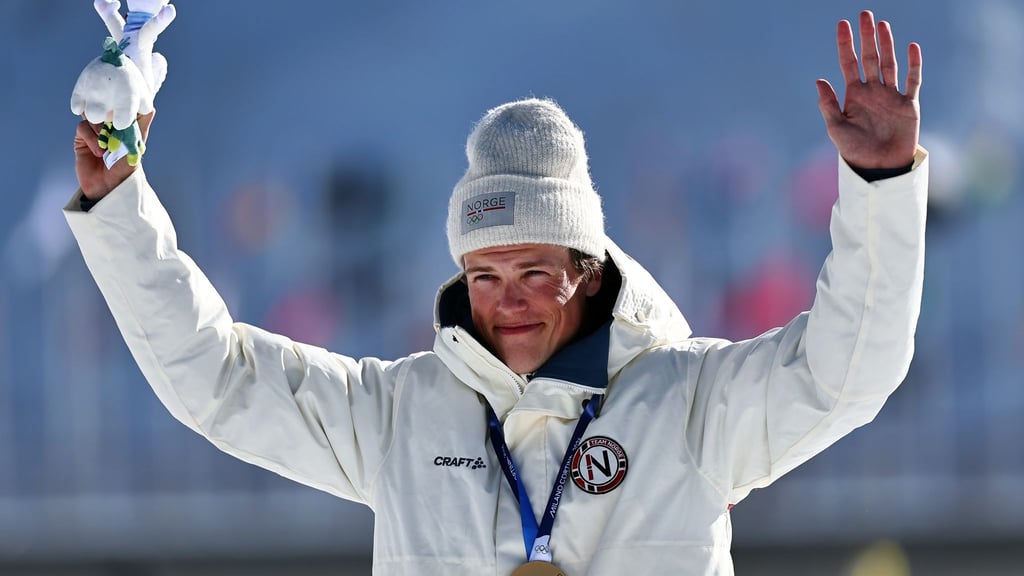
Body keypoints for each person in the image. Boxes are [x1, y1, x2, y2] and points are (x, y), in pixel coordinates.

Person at [65, 10, 927, 576]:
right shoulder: (401, 415)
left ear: (587, 271)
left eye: (535, 274)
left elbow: (848, 372)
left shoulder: (690, 407)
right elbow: (217, 380)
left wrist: (881, 186)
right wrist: (117, 207)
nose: (506, 300)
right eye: (485, 275)